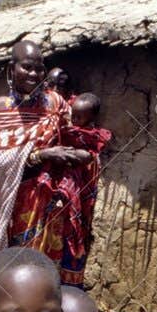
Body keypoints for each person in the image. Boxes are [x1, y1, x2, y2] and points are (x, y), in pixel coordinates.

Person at [0, 40, 92, 279]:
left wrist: (81, 153)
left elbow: (78, 132)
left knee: (47, 266)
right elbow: (1, 161)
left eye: (39, 68)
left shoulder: (54, 102)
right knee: (18, 267)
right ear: (10, 69)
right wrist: (42, 154)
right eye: (27, 67)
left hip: (53, 198)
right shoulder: (4, 106)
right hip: (19, 199)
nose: (34, 74)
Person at [48, 93, 113, 287]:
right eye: (73, 115)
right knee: (57, 238)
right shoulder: (64, 131)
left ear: (91, 118)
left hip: (80, 196)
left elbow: (86, 156)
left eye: (79, 117)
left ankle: (70, 288)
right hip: (62, 198)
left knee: (76, 236)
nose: (74, 120)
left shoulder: (92, 137)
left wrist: (68, 154)